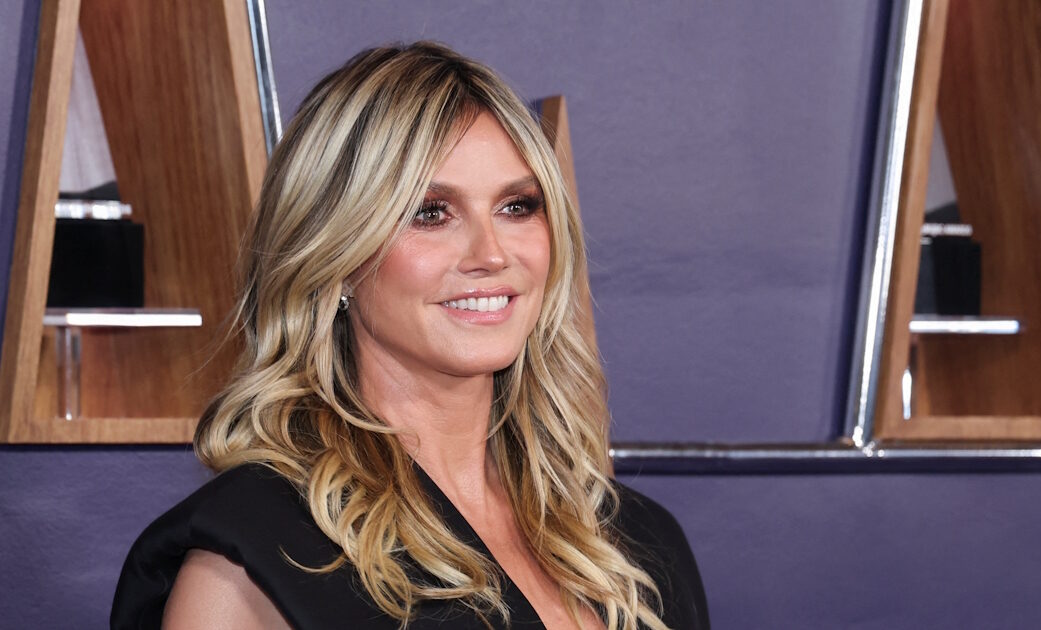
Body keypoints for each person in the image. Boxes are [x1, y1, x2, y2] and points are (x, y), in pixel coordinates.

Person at [110, 41, 708, 630]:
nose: (491, 254)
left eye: (517, 206)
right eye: (430, 212)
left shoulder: (636, 543)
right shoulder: (257, 556)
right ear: (337, 256)